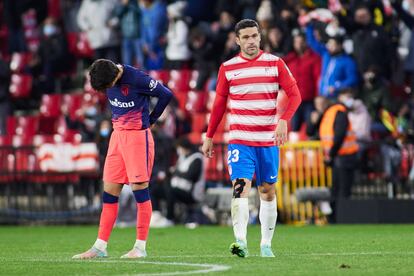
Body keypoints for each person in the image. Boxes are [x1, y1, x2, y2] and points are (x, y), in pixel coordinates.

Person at [202, 19, 301, 258]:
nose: (251, 41)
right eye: (245, 37)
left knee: (267, 191)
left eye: (254, 36)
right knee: (240, 187)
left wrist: (284, 120)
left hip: (267, 140)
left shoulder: (275, 63)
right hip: (240, 139)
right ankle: (241, 242)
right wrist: (209, 135)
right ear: (237, 40)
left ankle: (266, 244)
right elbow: (218, 105)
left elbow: (295, 95)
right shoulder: (228, 68)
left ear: (260, 37)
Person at [72, 59, 173, 259]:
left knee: (139, 190)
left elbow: (166, 94)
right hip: (117, 136)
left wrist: (151, 120)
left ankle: (140, 247)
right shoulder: (104, 73)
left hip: (137, 136)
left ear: (116, 77)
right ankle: (100, 247)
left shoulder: (137, 78)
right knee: (109, 192)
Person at [319, 90, 359, 201]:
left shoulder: (329, 114)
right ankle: (342, 216)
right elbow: (340, 135)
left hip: (337, 156)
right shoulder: (340, 112)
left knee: (336, 189)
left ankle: (335, 216)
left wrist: (330, 154)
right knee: (343, 191)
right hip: (344, 156)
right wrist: (331, 154)